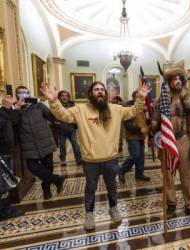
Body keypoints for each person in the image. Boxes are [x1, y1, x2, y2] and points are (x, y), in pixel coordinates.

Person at [40, 81, 149, 230]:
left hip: (110, 159)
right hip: (90, 161)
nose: (100, 92)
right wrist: (53, 100)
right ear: (90, 93)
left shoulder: (116, 109)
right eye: (96, 89)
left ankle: (113, 208)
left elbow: (133, 110)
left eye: (102, 90)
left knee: (112, 186)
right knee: (90, 188)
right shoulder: (80, 110)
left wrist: (141, 98)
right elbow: (63, 115)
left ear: (106, 94)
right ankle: (89, 213)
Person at [152, 67, 190, 222]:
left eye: (179, 79)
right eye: (173, 79)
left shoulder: (189, 102)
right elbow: (155, 121)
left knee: (186, 175)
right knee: (168, 175)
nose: (176, 82)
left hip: (183, 140)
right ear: (169, 82)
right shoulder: (161, 101)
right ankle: (171, 204)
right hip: (166, 141)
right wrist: (152, 131)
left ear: (182, 82)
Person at [14, 86, 65, 200]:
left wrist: (49, 103)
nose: (23, 95)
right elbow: (14, 122)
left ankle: (46, 191)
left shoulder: (38, 105)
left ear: (29, 93)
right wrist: (16, 108)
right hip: (28, 144)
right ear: (16, 95)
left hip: (45, 141)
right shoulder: (15, 108)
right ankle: (56, 179)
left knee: (48, 167)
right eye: (20, 93)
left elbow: (52, 117)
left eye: (25, 93)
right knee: (32, 167)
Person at [0, 95, 25, 221]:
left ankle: (6, 208)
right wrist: (7, 107)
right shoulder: (2, 113)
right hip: (2, 152)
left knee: (6, 182)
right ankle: (4, 211)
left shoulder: (4, 113)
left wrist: (14, 108)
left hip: (7, 151)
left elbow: (12, 121)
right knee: (3, 184)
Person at [119, 91, 150, 183]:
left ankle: (139, 174)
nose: (140, 98)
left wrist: (148, 119)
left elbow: (145, 121)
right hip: (132, 137)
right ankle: (121, 170)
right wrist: (139, 129)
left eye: (141, 97)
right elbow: (127, 124)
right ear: (133, 98)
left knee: (141, 157)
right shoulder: (129, 108)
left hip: (141, 136)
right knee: (135, 155)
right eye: (138, 96)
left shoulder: (142, 109)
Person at [56, 90, 82, 167]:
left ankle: (79, 160)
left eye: (66, 96)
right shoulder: (57, 106)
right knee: (62, 146)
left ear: (68, 97)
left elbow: (77, 116)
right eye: (62, 96)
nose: (64, 97)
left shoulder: (73, 105)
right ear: (59, 97)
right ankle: (63, 160)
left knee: (76, 145)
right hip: (61, 130)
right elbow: (52, 115)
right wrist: (55, 122)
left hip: (71, 129)